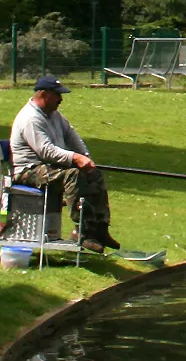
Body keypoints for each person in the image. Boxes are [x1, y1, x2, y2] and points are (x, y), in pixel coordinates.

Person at [10, 76, 120, 252]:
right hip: (29, 171)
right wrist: (76, 159)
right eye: (57, 95)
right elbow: (46, 151)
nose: (61, 99)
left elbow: (71, 135)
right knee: (72, 175)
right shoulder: (30, 119)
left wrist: (86, 158)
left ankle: (100, 229)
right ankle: (81, 232)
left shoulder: (54, 114)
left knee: (94, 174)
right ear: (44, 95)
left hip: (50, 167)